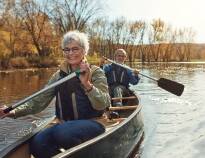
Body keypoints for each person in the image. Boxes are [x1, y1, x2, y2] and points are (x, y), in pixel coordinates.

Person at [0, 30, 110, 158]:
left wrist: (87, 84)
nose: (70, 53)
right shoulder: (58, 76)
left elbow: (104, 103)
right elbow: (38, 102)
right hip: (64, 125)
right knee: (37, 143)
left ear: (84, 51)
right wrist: (12, 112)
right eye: (66, 50)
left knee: (62, 133)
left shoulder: (96, 72)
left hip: (93, 123)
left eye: (75, 49)